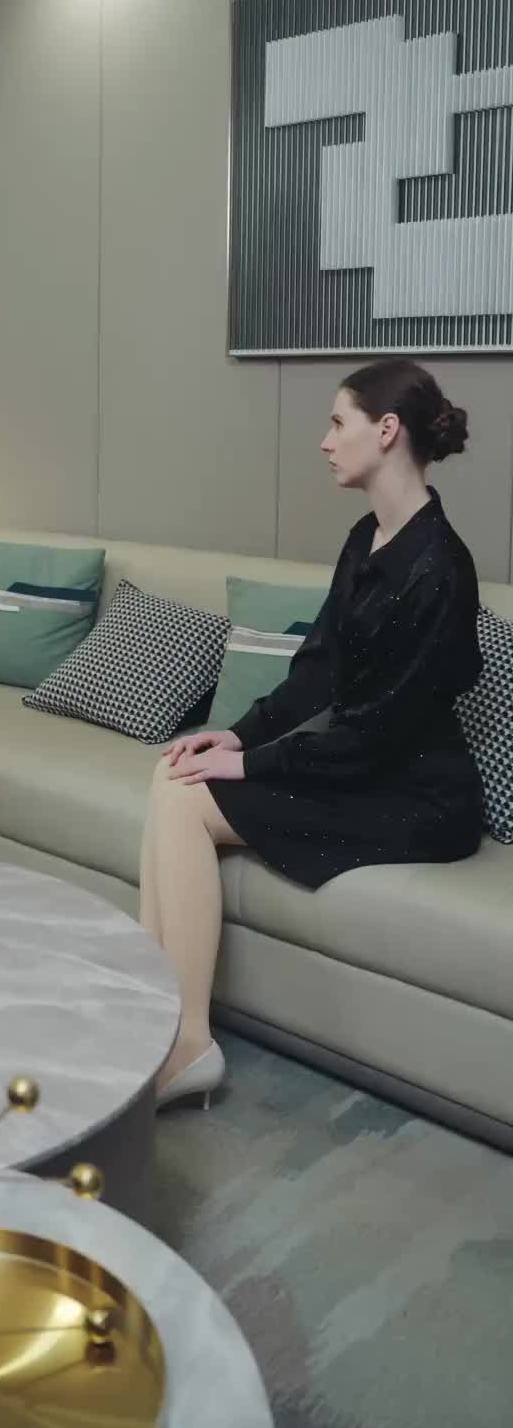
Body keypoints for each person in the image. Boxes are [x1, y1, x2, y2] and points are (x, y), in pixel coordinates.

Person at [141, 357, 485, 1113]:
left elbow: (376, 733)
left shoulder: (441, 567)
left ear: (386, 431)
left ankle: (188, 1043)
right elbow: (318, 671)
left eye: (337, 423)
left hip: (417, 795)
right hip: (365, 765)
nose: (325, 442)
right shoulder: (367, 537)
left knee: (189, 800)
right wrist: (233, 738)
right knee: (176, 773)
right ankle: (155, 1020)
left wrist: (253, 767)